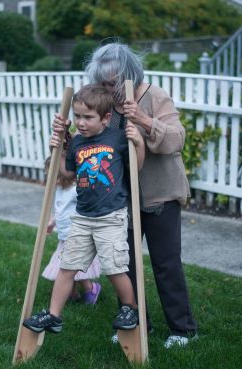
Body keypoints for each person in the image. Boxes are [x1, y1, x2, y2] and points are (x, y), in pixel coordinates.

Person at [84, 42, 198, 348]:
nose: (110, 89)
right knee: (125, 264)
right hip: (122, 198)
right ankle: (135, 324)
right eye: (104, 83)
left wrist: (144, 120)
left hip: (160, 194)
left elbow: (176, 139)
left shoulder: (154, 95)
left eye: (115, 82)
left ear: (130, 74)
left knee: (166, 263)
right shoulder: (105, 104)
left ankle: (182, 329)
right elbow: (89, 137)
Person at [23, 84, 145, 335]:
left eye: (88, 117)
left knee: (114, 266)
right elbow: (67, 173)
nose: (81, 122)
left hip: (111, 216)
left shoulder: (118, 138)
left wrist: (139, 142)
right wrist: (54, 148)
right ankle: (54, 316)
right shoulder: (77, 143)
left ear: (106, 118)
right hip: (82, 216)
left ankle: (130, 308)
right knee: (68, 266)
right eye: (77, 116)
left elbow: (137, 167)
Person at [42, 155, 101, 305]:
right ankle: (71, 293)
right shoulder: (60, 190)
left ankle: (91, 289)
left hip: (77, 236)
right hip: (64, 237)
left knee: (73, 266)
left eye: (51, 175)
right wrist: (52, 222)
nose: (48, 178)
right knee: (67, 266)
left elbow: (88, 204)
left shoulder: (75, 189)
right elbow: (62, 210)